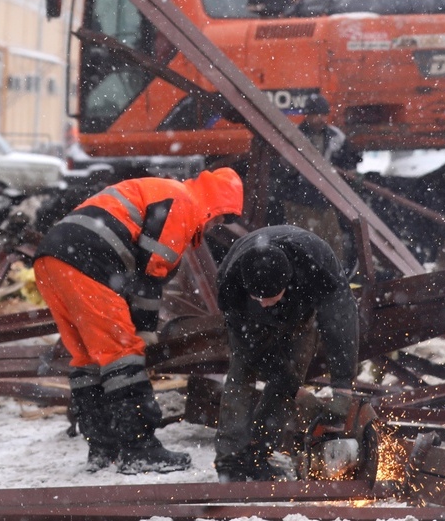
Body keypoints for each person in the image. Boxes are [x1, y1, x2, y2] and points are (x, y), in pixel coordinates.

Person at [33, 168, 244, 474]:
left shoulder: (162, 190)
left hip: (52, 258)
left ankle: (103, 447)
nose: (213, 226)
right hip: (87, 259)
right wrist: (145, 332)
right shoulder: (183, 202)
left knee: (89, 357)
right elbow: (151, 274)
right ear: (215, 204)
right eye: (220, 219)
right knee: (122, 353)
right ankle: (139, 449)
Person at [213, 225, 360, 482]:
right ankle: (231, 460)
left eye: (270, 296)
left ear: (287, 280)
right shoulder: (231, 284)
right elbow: (254, 351)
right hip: (249, 324)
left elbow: (340, 326)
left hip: (300, 313)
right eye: (257, 297)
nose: (264, 303)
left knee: (294, 371)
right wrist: (296, 391)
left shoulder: (319, 267)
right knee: (242, 373)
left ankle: (259, 454)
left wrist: (343, 388)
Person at [276, 93, 361, 265]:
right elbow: (282, 169)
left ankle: (331, 275)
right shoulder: (293, 137)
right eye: (316, 115)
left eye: (323, 115)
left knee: (332, 244)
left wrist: (350, 176)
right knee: (303, 244)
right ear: (307, 116)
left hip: (326, 200)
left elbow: (348, 162)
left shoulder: (336, 137)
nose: (320, 119)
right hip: (299, 201)